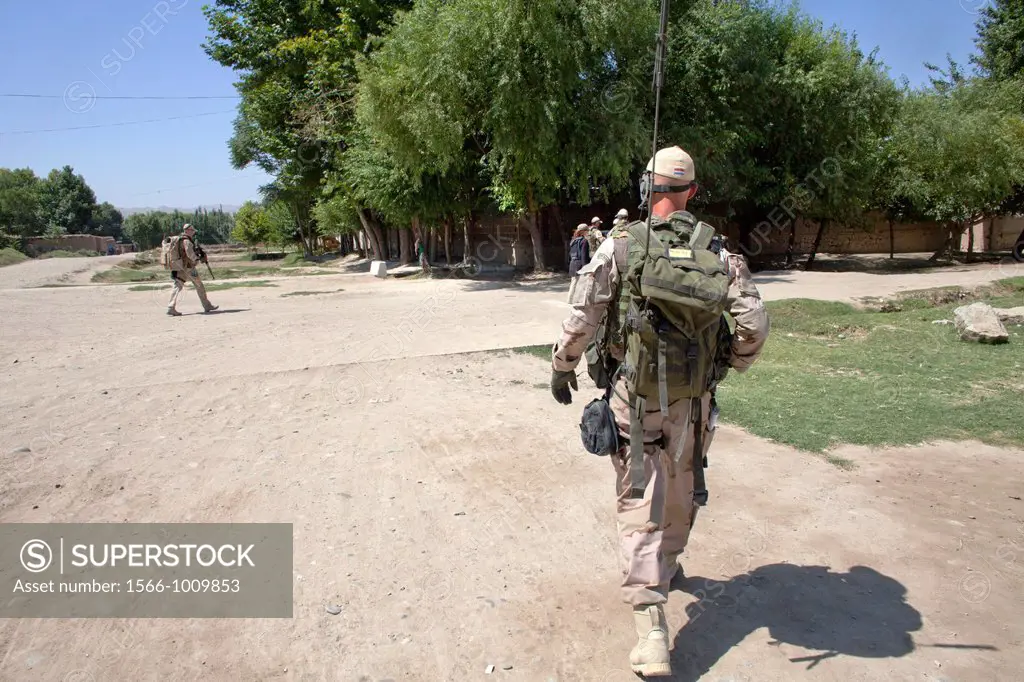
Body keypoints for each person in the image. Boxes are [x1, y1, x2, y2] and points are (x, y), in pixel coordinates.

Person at [548, 145, 770, 677]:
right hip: (695, 405)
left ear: (649, 190)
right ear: (692, 192)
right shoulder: (718, 249)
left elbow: (583, 314)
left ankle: (651, 628)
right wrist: (728, 366)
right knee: (682, 488)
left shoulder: (621, 246)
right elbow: (754, 326)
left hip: (637, 401)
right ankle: (666, 566)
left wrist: (562, 366)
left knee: (640, 501)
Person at [166, 224, 218, 316]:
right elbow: (190, 254)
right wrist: (197, 259)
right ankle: (207, 305)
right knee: (199, 285)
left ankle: (171, 306)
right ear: (187, 231)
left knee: (177, 286)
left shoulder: (180, 240)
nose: (193, 232)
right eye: (192, 230)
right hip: (189, 267)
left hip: (179, 267)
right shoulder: (186, 241)